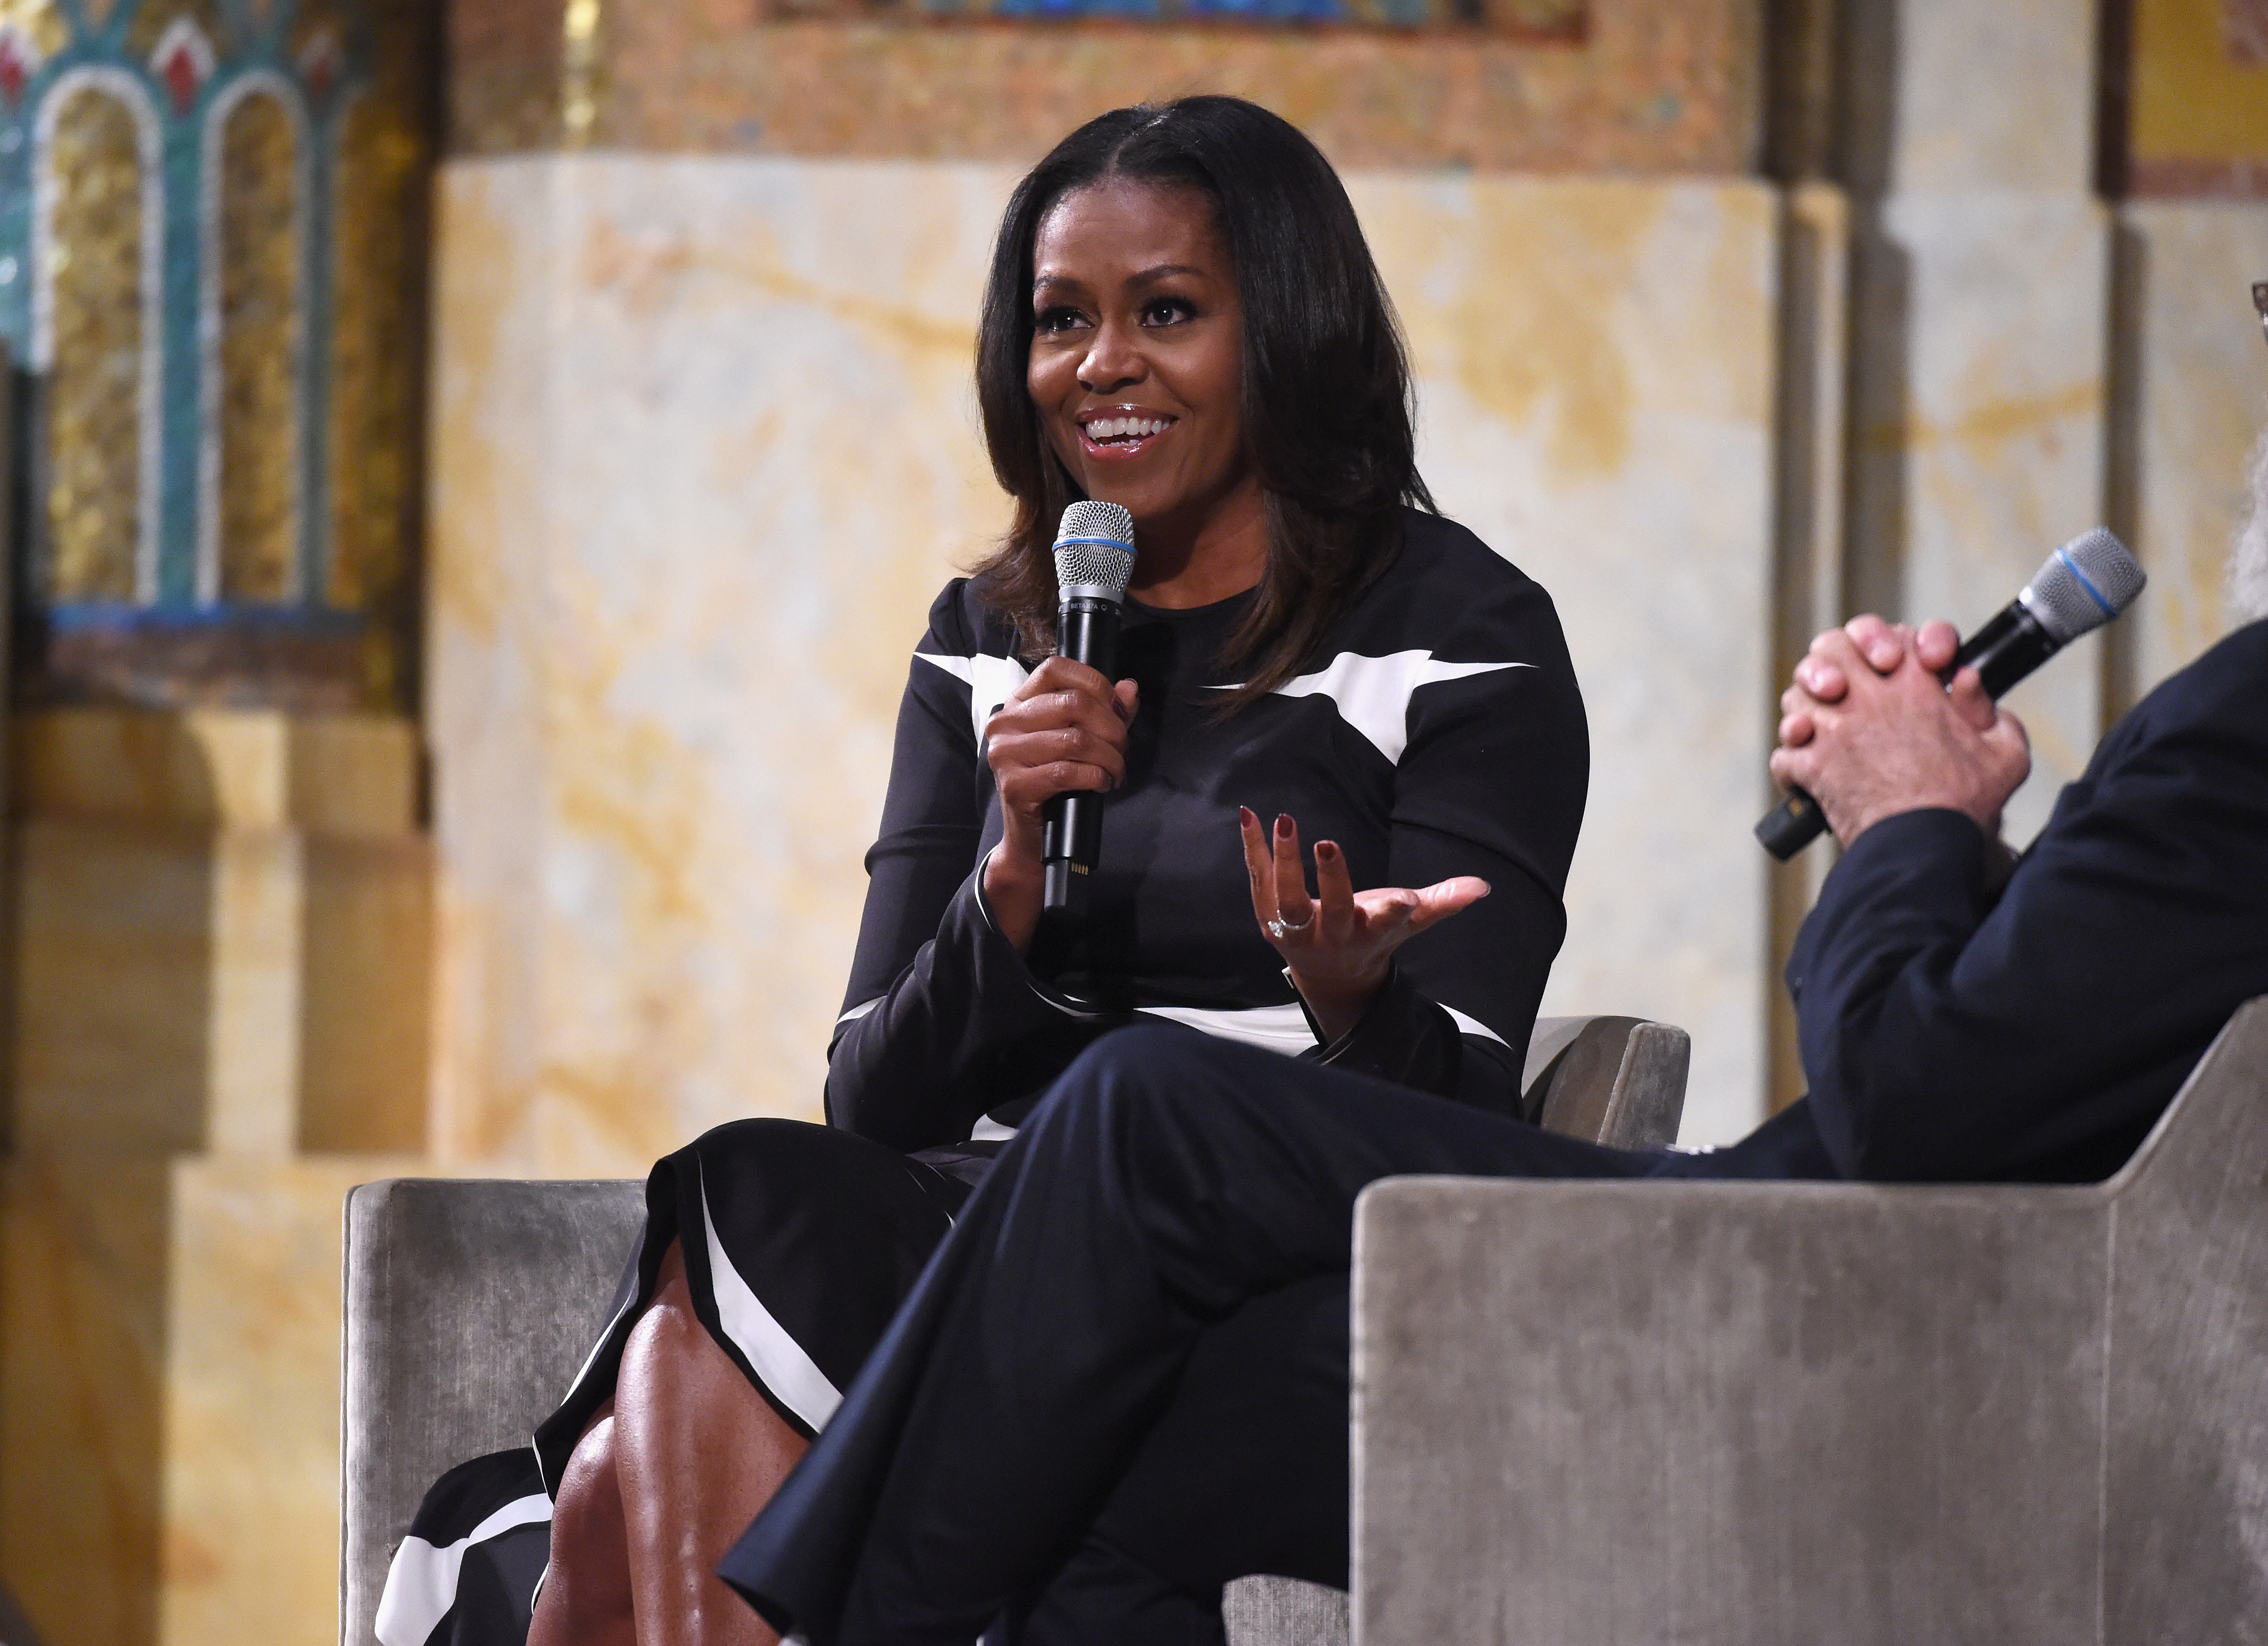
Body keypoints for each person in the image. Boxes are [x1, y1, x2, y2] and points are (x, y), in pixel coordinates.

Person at [710, 417, 2268, 1641]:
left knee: (1136, 1113)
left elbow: (1919, 1105)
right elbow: (2051, 1045)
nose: (1107, 364)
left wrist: (1901, 821)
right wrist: (1954, 833)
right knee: (1104, 1422)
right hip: (1898, 1249)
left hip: (1849, 1292)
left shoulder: (2246, 716)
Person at [377, 96, 1593, 1646]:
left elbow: (1472, 1132)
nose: (1100, 366)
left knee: (641, 1441)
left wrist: (1351, 997)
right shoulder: (987, 636)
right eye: (1058, 322)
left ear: (1286, 327)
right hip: (980, 1217)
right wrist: (1005, 888)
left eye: (1166, 312)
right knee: (760, 1189)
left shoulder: (1460, 630)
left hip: (1255, 1251)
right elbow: (872, 1102)